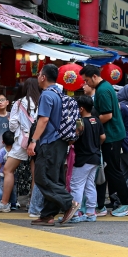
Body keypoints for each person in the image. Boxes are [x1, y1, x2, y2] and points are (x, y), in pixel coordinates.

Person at [26, 64, 78, 226]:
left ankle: (68, 202)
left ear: (43, 77)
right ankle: (48, 215)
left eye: (39, 74)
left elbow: (44, 120)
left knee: (41, 177)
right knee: (53, 178)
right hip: (60, 143)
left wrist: (33, 141)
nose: (38, 77)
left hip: (49, 142)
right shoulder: (58, 92)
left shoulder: (47, 95)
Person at [80, 65, 128, 218]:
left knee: (114, 171)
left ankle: (127, 203)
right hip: (114, 134)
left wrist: (92, 125)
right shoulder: (105, 87)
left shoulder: (102, 90)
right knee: (111, 171)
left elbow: (107, 115)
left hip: (111, 135)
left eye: (86, 80)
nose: (86, 84)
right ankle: (112, 203)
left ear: (94, 77)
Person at [0, 78, 39, 213]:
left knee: (8, 170)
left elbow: (12, 126)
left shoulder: (19, 103)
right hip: (37, 141)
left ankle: (4, 203)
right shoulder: (41, 101)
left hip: (21, 142)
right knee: (35, 174)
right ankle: (33, 203)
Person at [69, 95, 104, 223]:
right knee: (90, 185)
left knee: (76, 185)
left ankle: (75, 213)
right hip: (95, 157)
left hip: (83, 158)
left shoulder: (80, 122)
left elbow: (73, 138)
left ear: (81, 108)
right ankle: (90, 212)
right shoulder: (96, 120)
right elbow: (103, 137)